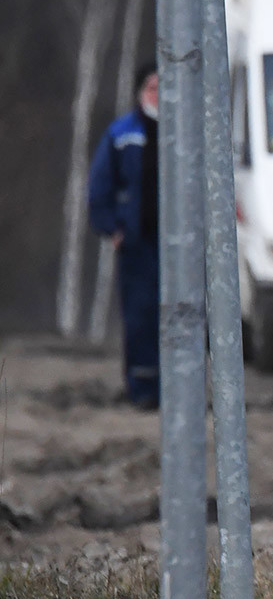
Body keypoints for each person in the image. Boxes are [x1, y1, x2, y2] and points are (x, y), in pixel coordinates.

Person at [86, 64, 162, 410]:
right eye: (152, 87)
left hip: (179, 245)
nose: (158, 95)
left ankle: (182, 386)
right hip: (136, 243)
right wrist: (111, 228)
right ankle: (143, 388)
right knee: (140, 314)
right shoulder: (122, 134)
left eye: (164, 87)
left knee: (184, 313)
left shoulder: (186, 132)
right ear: (139, 92)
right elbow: (100, 187)